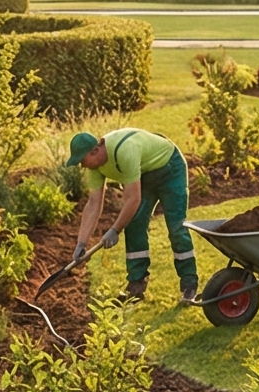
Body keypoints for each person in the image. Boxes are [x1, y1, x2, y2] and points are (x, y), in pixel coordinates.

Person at [67, 126, 198, 305]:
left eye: (82, 160)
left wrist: (114, 230)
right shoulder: (95, 168)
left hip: (170, 169)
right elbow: (93, 204)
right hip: (144, 175)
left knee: (176, 227)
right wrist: (81, 243)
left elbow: (133, 199)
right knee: (134, 224)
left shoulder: (124, 150)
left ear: (95, 150)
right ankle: (136, 286)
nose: (82, 165)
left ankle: (189, 283)